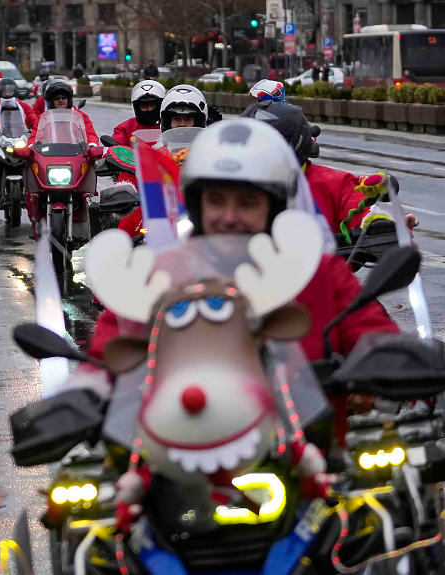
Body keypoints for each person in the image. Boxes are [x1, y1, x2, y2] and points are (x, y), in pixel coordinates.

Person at [76, 119, 400, 443]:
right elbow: (109, 348)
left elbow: (370, 330)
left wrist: (397, 363)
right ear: (198, 206)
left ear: (273, 209)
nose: (229, 216)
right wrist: (82, 397)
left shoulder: (320, 274)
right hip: (178, 459)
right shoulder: (161, 275)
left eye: (247, 202)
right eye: (216, 200)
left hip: (312, 458)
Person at [239, 100, 418, 234]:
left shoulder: (335, 184)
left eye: (266, 144)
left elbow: (360, 210)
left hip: (319, 278)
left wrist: (382, 226)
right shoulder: (228, 181)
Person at [28, 79, 99, 146]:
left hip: (78, 156)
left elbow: (90, 134)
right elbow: (35, 136)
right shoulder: (43, 118)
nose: (60, 100)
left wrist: (92, 144)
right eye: (57, 98)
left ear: (69, 99)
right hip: (49, 156)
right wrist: (31, 147)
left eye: (63, 97)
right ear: (51, 101)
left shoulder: (81, 116)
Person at [112, 79, 167, 146]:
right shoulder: (125, 128)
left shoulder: (168, 125)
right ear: (137, 107)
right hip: (134, 156)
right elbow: (113, 148)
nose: (149, 109)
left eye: (153, 105)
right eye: (144, 106)